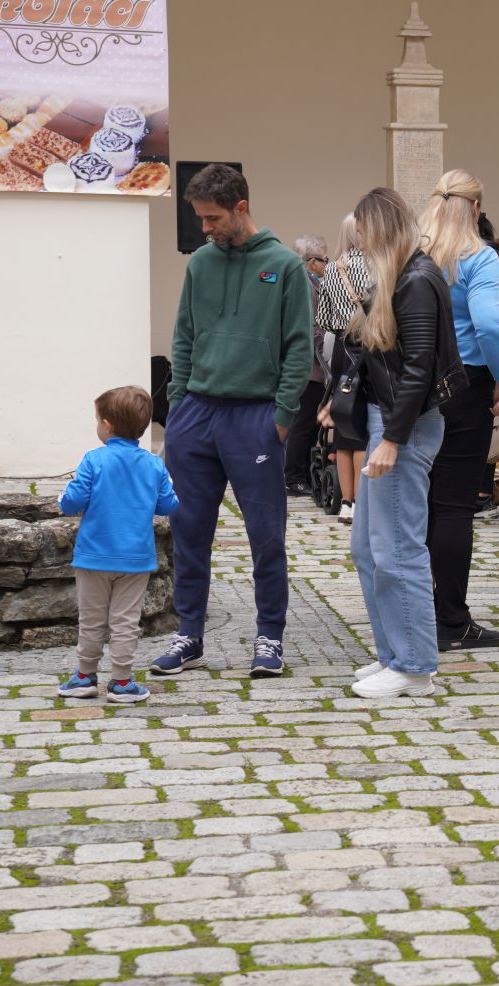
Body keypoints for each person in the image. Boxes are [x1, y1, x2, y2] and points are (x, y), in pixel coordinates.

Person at [154, 164, 311, 678]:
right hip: (196, 414)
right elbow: (184, 334)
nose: (205, 228)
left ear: (241, 208)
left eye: (213, 218)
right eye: (200, 218)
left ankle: (269, 639)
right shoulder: (200, 263)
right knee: (188, 531)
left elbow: (298, 347)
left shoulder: (285, 266)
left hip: (256, 417)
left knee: (266, 535)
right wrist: (177, 408)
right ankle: (189, 636)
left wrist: (283, 417)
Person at [325, 187, 461, 700]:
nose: (357, 245)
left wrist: (393, 440)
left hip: (404, 426)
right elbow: (378, 351)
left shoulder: (417, 279)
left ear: (376, 230)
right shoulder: (397, 277)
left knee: (396, 549)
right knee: (368, 547)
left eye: (361, 236)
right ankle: (393, 655)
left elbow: (420, 368)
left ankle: (415, 666)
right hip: (388, 420)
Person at [421, 169, 499, 652]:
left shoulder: (414, 252)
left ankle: (415, 612)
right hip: (465, 385)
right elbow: (490, 324)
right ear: (476, 209)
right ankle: (452, 619)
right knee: (454, 506)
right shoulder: (479, 257)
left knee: (417, 506)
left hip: (415, 386)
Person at [56, 386, 177, 705]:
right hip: (135, 559)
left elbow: (73, 501)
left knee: (92, 619)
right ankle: (122, 681)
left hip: (94, 557)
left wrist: (62, 497)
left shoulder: (94, 460)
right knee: (125, 621)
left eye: (97, 419)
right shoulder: (153, 465)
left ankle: (84, 676)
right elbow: (168, 505)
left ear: (107, 425)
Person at [316, 213, 371, 525]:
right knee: (362, 428)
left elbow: (323, 319)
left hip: (341, 350)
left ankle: (346, 503)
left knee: (344, 429)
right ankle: (363, 504)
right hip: (367, 349)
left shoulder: (332, 270)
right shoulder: (375, 266)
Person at [284, 235, 329, 499]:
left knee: (307, 424)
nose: (327, 264)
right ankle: (294, 478)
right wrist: (326, 350)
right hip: (310, 368)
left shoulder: (307, 282)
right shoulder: (306, 286)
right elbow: (311, 327)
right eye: (324, 259)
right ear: (312, 262)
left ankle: (302, 475)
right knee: (302, 425)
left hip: (311, 368)